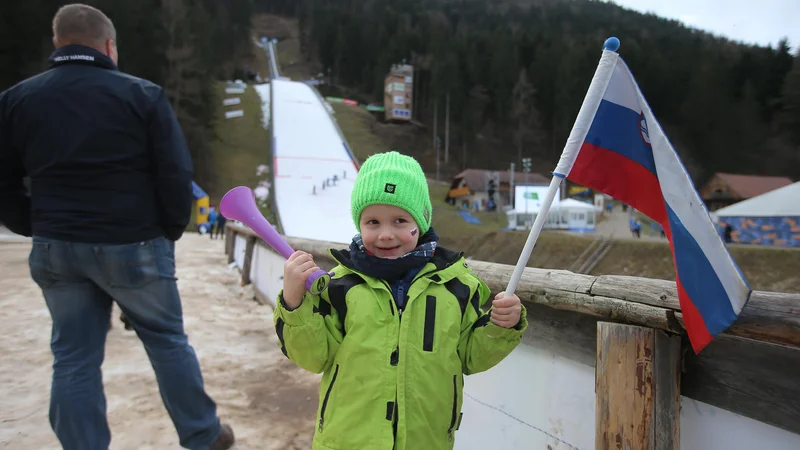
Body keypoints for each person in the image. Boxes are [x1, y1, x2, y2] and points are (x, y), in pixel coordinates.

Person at [0, 4, 233, 450]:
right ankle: (203, 435)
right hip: (133, 242)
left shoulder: (17, 100)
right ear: (109, 46)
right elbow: (173, 172)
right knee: (166, 340)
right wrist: (168, 229)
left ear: (57, 42)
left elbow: (3, 178)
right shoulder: (141, 95)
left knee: (72, 357)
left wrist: (33, 222)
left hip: (57, 246)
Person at [275, 151, 527, 450]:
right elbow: (313, 358)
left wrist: (501, 327)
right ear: (359, 224)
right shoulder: (340, 285)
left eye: (399, 220)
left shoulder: (458, 286)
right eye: (372, 222)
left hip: (426, 441)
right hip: (347, 441)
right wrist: (294, 303)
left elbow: (471, 356)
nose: (385, 234)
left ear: (420, 222)